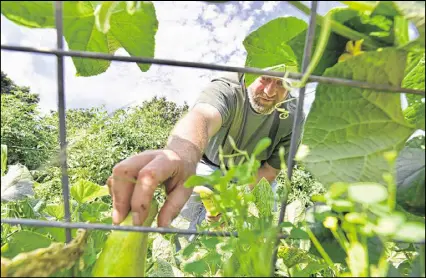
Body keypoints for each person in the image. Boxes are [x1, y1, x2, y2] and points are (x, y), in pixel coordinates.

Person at [107, 68, 304, 230]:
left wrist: (233, 199)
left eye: (281, 83)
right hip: (209, 165)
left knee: (257, 231)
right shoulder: (228, 87)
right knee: (185, 225)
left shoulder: (293, 115)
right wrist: (181, 154)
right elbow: (203, 116)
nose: (269, 92)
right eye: (264, 79)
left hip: (255, 175)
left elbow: (270, 170)